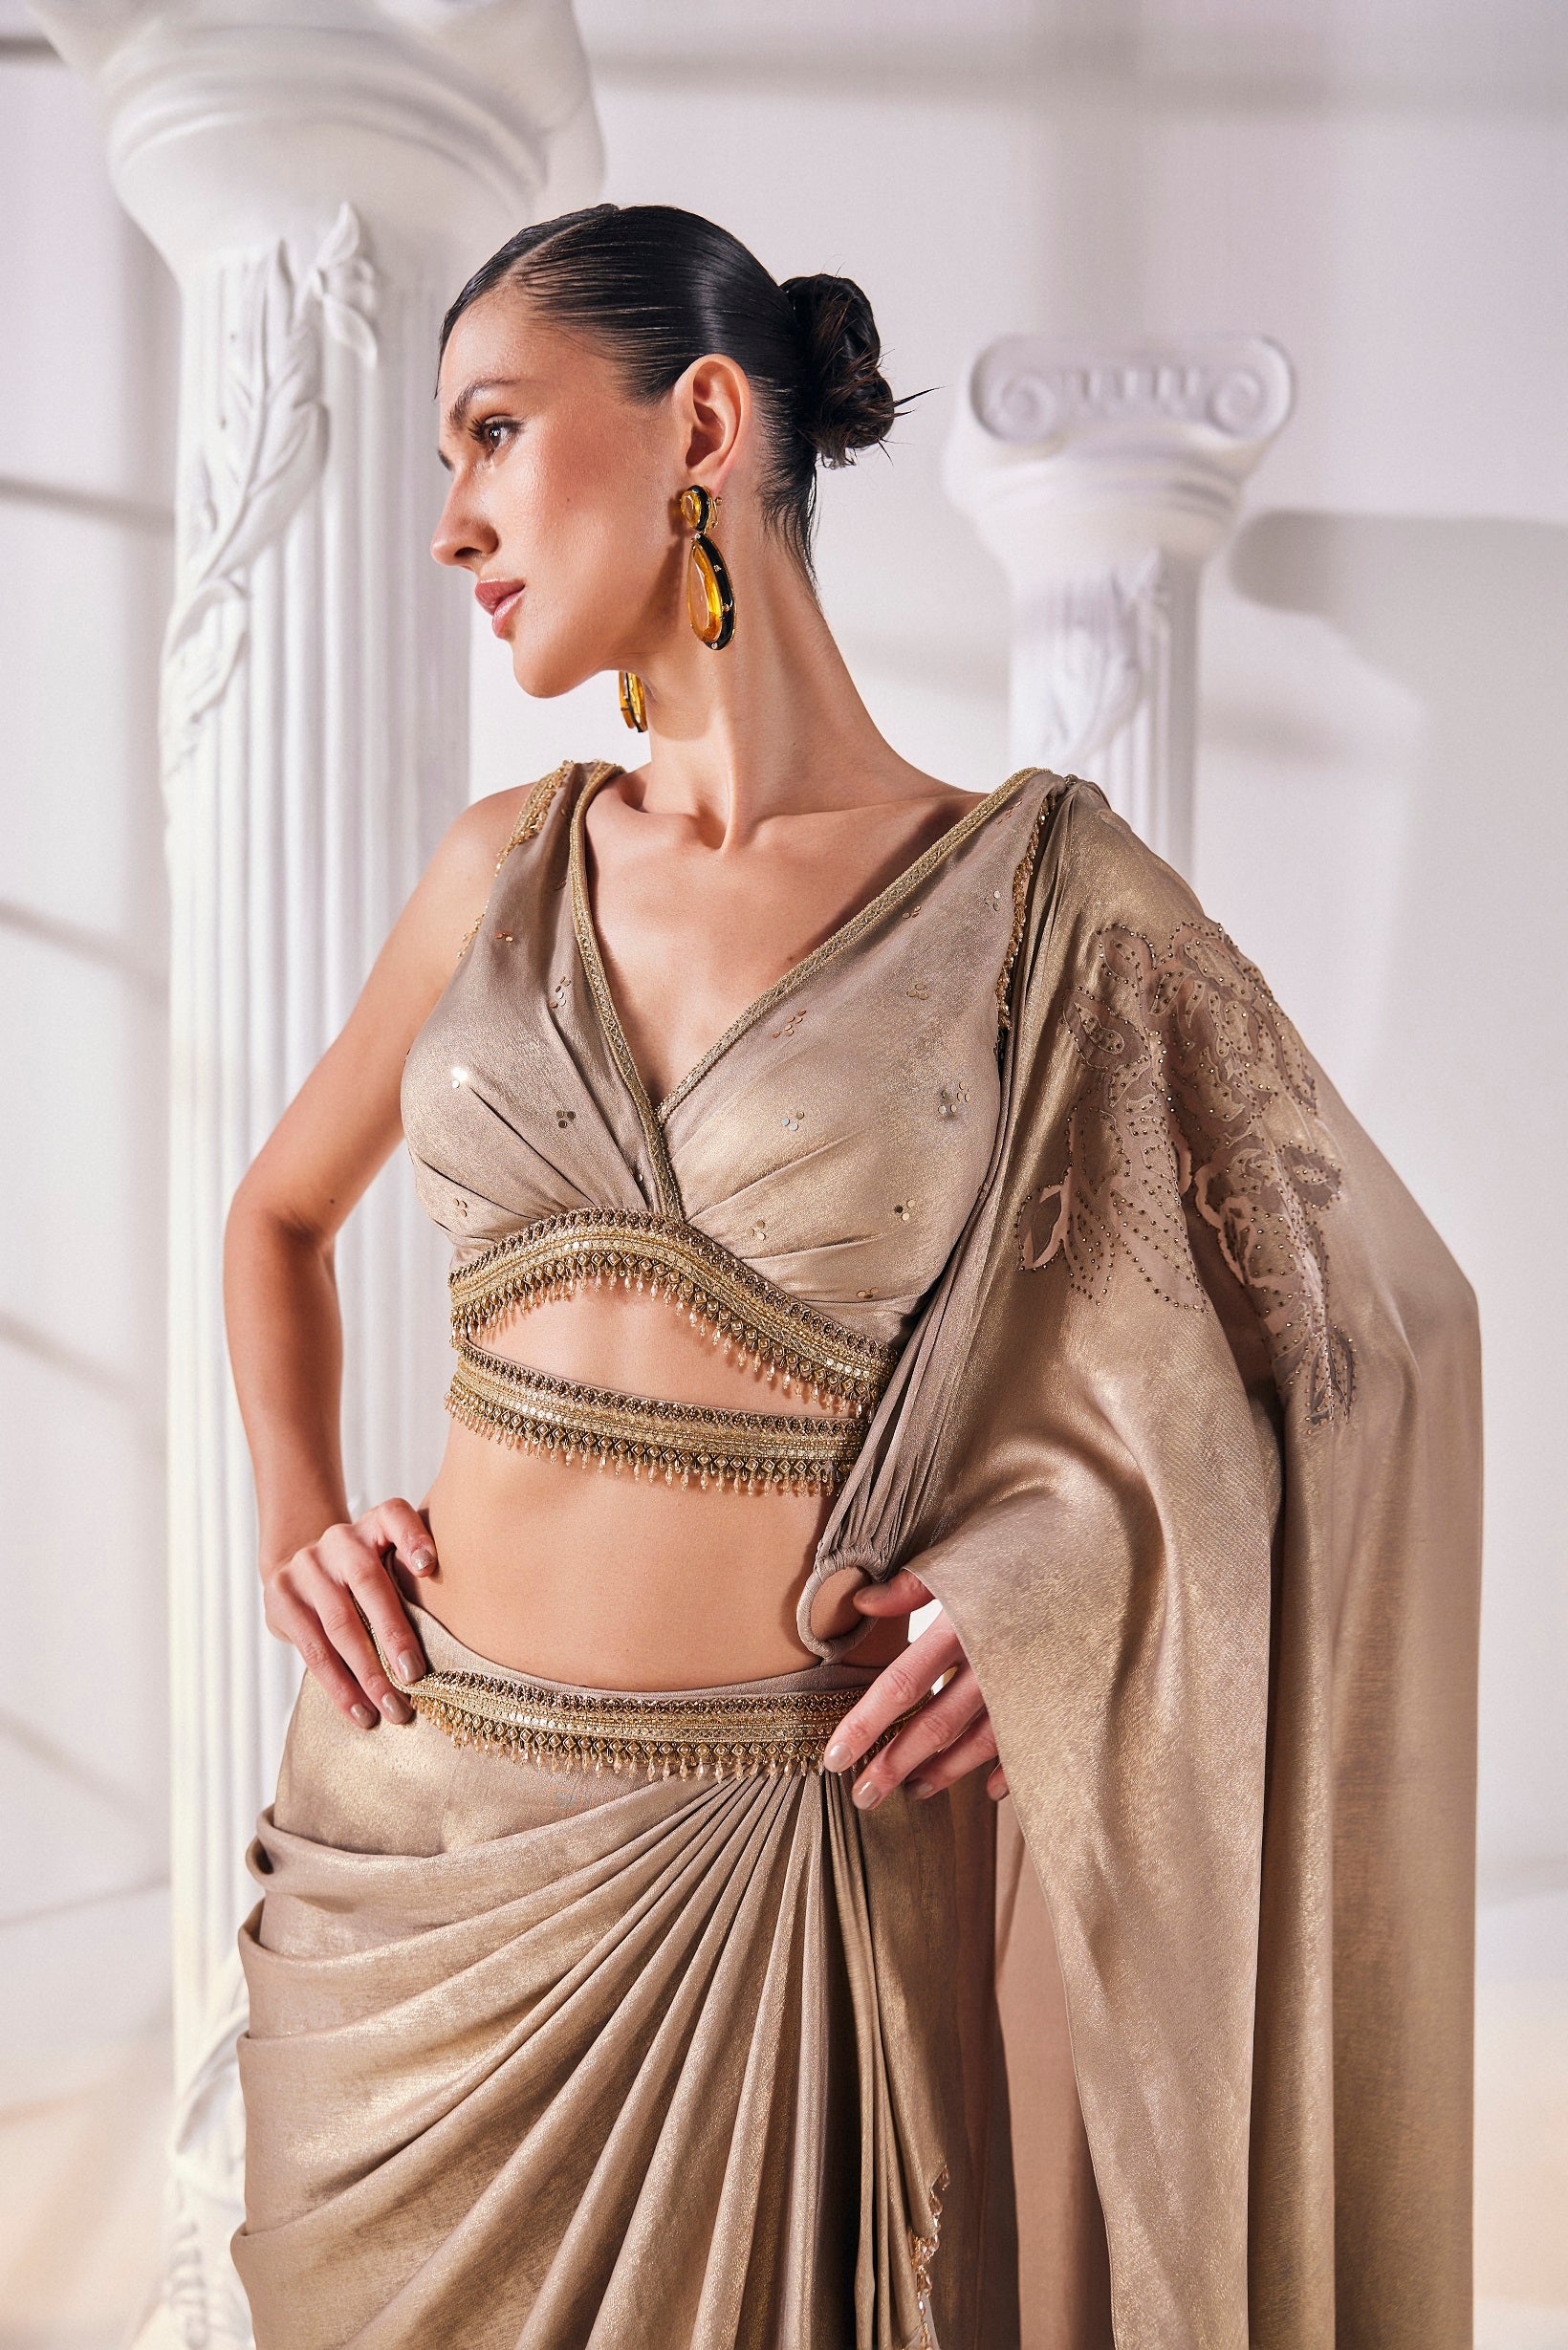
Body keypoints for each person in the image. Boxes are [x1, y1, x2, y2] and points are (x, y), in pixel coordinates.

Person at [225, 205, 1483, 2350]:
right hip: (409, 1849)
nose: (451, 525)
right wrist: (296, 1516)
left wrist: (1061, 1590)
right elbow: (276, 1216)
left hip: (784, 1879)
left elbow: (1368, 1337)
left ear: (704, 422)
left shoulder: (1039, 905)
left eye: (493, 433)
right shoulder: (497, 868)